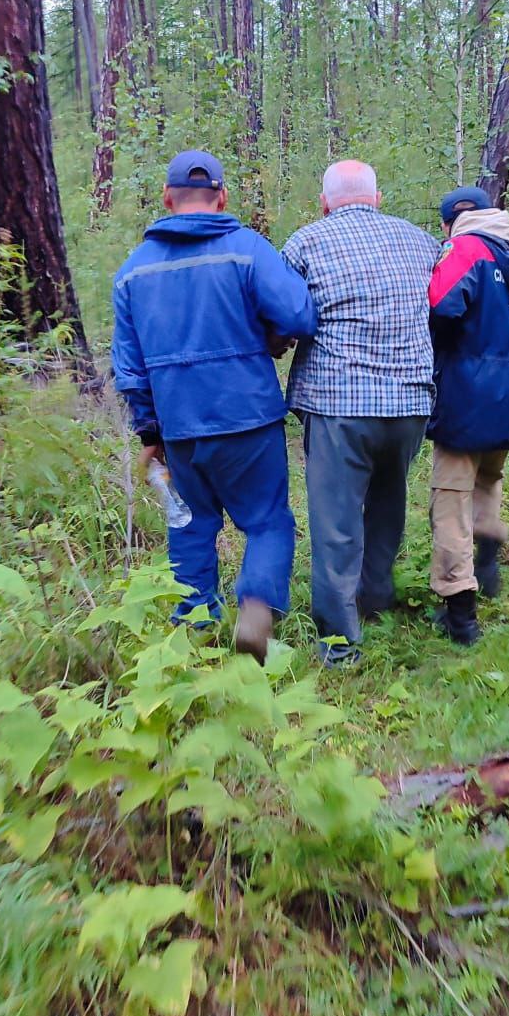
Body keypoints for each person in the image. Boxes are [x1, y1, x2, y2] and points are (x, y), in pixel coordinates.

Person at [111, 149, 318, 661]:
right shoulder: (247, 249)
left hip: (181, 428)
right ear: (221, 197)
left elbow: (131, 371)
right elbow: (299, 313)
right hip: (249, 419)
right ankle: (255, 606)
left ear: (166, 199)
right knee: (267, 520)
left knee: (191, 523)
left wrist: (150, 436)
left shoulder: (133, 272)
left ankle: (195, 625)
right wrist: (271, 334)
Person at [281, 160, 439, 666]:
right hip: (411, 401)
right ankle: (373, 598)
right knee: (389, 502)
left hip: (339, 404)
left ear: (325, 202)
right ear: (377, 197)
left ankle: (338, 640)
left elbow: (286, 315)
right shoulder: (421, 243)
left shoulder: (305, 243)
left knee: (336, 521)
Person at [427, 185, 509, 644]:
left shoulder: (465, 250)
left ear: (449, 222)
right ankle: (486, 564)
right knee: (488, 479)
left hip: (465, 395)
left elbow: (441, 306)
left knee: (450, 498)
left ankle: (459, 611)